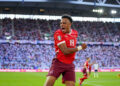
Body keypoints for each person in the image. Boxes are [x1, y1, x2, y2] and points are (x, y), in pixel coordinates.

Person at [44, 14, 87, 86]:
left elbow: (71, 46)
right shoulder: (58, 33)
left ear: (70, 24)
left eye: (64, 23)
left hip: (70, 64)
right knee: (48, 84)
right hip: (59, 62)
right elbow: (65, 51)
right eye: (61, 23)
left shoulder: (75, 33)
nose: (62, 25)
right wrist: (80, 48)